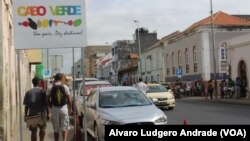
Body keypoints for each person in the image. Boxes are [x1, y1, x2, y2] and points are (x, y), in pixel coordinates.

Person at [47, 73, 72, 141]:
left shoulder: (50, 87)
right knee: (65, 128)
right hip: (64, 109)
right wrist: (70, 109)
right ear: (61, 79)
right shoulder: (65, 87)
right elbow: (69, 100)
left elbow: (47, 100)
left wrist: (50, 109)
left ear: (55, 79)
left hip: (54, 109)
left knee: (56, 130)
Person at [23, 76, 49, 141]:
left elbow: (26, 106)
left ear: (33, 83)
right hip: (42, 114)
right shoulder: (43, 91)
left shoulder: (28, 92)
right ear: (39, 82)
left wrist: (25, 116)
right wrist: (48, 113)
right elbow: (46, 104)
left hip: (32, 115)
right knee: (42, 129)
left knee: (33, 132)